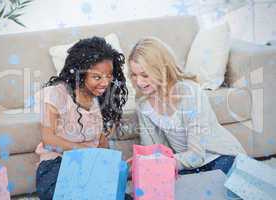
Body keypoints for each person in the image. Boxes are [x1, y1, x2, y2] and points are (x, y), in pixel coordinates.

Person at [128, 37, 246, 175]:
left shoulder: (190, 93)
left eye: (145, 75)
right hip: (187, 164)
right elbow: (154, 149)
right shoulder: (143, 103)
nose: (140, 82)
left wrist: (162, 162)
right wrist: (145, 160)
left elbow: (196, 155)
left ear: (162, 70)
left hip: (219, 156)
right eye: (134, 75)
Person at [34, 36, 128, 200]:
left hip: (89, 165)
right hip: (57, 164)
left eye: (109, 75)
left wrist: (108, 165)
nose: (105, 83)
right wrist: (85, 150)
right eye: (97, 77)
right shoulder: (56, 94)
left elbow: (101, 143)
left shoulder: (102, 100)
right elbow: (48, 139)